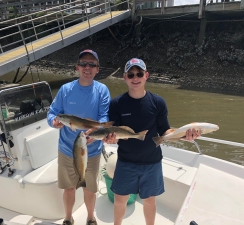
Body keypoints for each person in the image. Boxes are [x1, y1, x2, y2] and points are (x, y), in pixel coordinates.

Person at [104, 58, 201, 225]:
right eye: (131, 74)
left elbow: (165, 130)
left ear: (146, 75)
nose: (135, 78)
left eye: (139, 73)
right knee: (120, 201)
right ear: (125, 77)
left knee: (149, 201)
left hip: (152, 162)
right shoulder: (116, 104)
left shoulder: (158, 102)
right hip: (126, 162)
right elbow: (111, 131)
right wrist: (109, 138)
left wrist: (184, 135)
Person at [47, 49, 110, 225]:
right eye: (83, 63)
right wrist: (53, 122)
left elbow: (104, 118)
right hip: (67, 149)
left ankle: (90, 218)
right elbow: (52, 113)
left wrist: (95, 134)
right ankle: (68, 218)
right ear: (77, 67)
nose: (87, 67)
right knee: (68, 189)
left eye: (92, 64)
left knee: (90, 189)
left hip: (93, 150)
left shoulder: (102, 90)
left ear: (98, 69)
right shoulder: (66, 90)